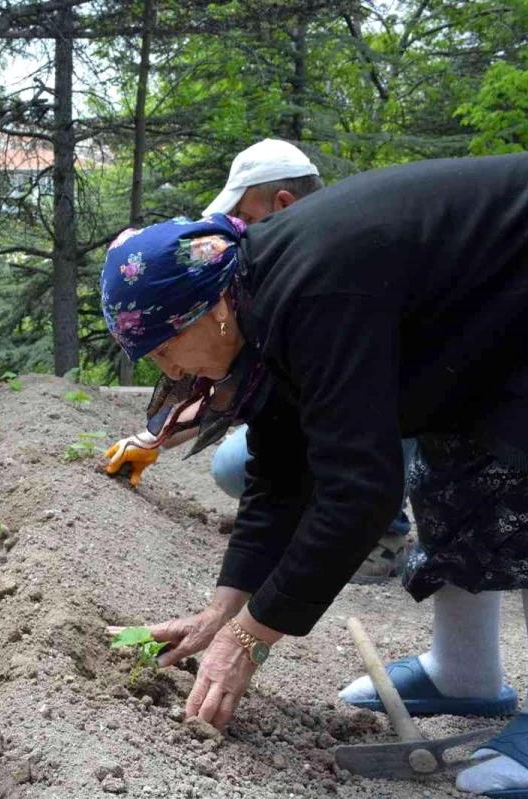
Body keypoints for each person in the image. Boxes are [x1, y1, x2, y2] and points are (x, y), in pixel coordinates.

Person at [99, 149, 528, 798]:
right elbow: (282, 472)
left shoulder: (312, 290)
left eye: (165, 348)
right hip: (493, 314)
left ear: (209, 309)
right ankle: (467, 674)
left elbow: (359, 494)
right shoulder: (259, 306)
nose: (172, 373)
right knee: (452, 470)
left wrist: (253, 636)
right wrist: (222, 613)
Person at [103, 139, 415, 584]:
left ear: (285, 204)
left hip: (408, 393)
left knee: (370, 421)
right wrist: (156, 435)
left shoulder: (332, 271)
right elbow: (240, 385)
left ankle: (381, 533)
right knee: (233, 466)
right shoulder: (261, 286)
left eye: (244, 219)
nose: (235, 233)